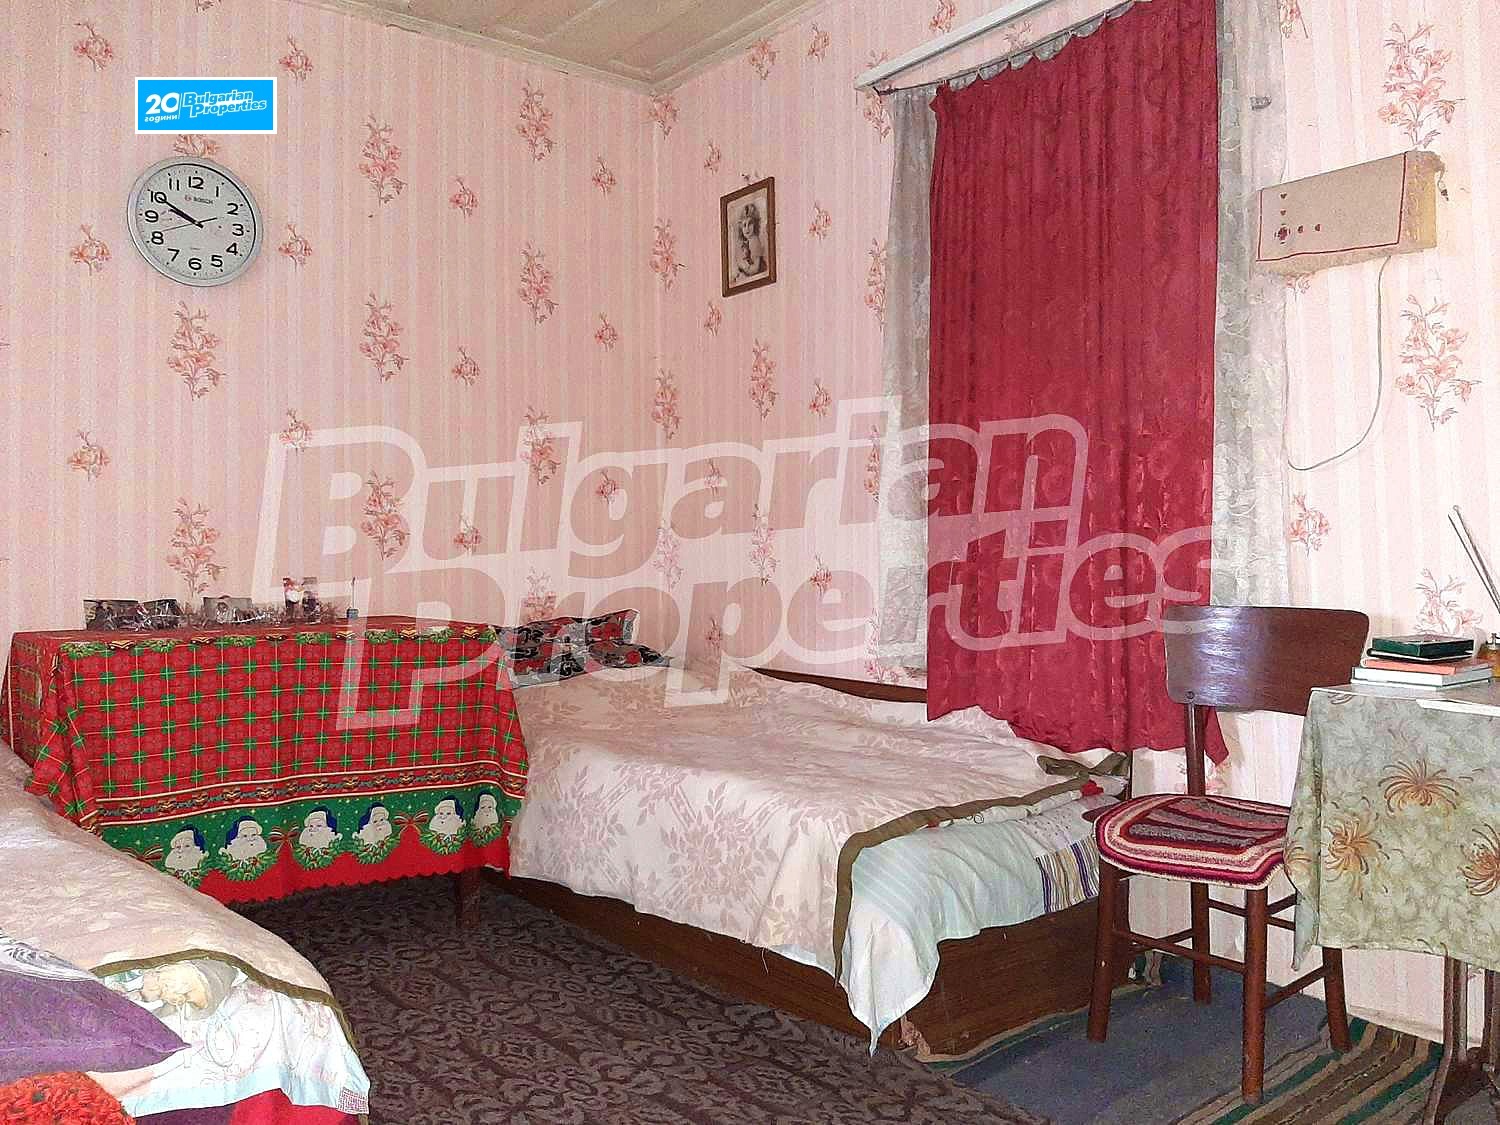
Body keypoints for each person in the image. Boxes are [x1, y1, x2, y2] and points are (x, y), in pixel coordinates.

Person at [733, 200, 767, 282]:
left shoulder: (755, 241)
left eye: (750, 224)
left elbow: (755, 269)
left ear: (755, 225)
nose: (747, 228)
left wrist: (743, 267)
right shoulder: (747, 242)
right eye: (744, 225)